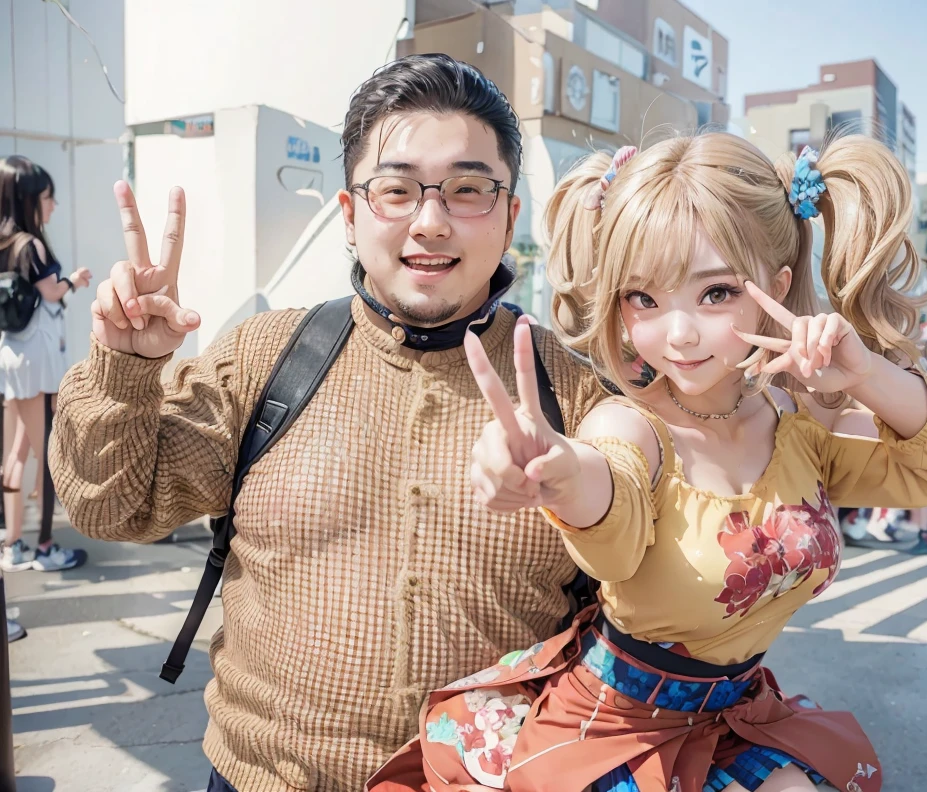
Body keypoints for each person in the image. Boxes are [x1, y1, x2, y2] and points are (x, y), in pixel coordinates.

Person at [49, 55, 603, 791]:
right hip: (261, 777)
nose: (431, 221)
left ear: (510, 214)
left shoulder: (573, 393)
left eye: (469, 190)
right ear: (349, 214)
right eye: (396, 190)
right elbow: (110, 507)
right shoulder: (267, 357)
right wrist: (124, 368)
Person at [366, 134, 927, 791]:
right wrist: (559, 472)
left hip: (740, 714)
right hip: (613, 727)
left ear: (775, 286)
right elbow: (608, 499)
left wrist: (864, 376)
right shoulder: (631, 424)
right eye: (645, 299)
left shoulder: (799, 418)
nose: (680, 333)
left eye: (715, 292)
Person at [0, 155, 91, 573]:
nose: (52, 206)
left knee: (16, 452)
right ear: (29, 200)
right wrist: (74, 279)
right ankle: (45, 547)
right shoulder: (30, 245)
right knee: (49, 454)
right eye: (48, 198)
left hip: (11, 356)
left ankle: (13, 543)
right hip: (38, 361)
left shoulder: (4, 243)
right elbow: (52, 294)